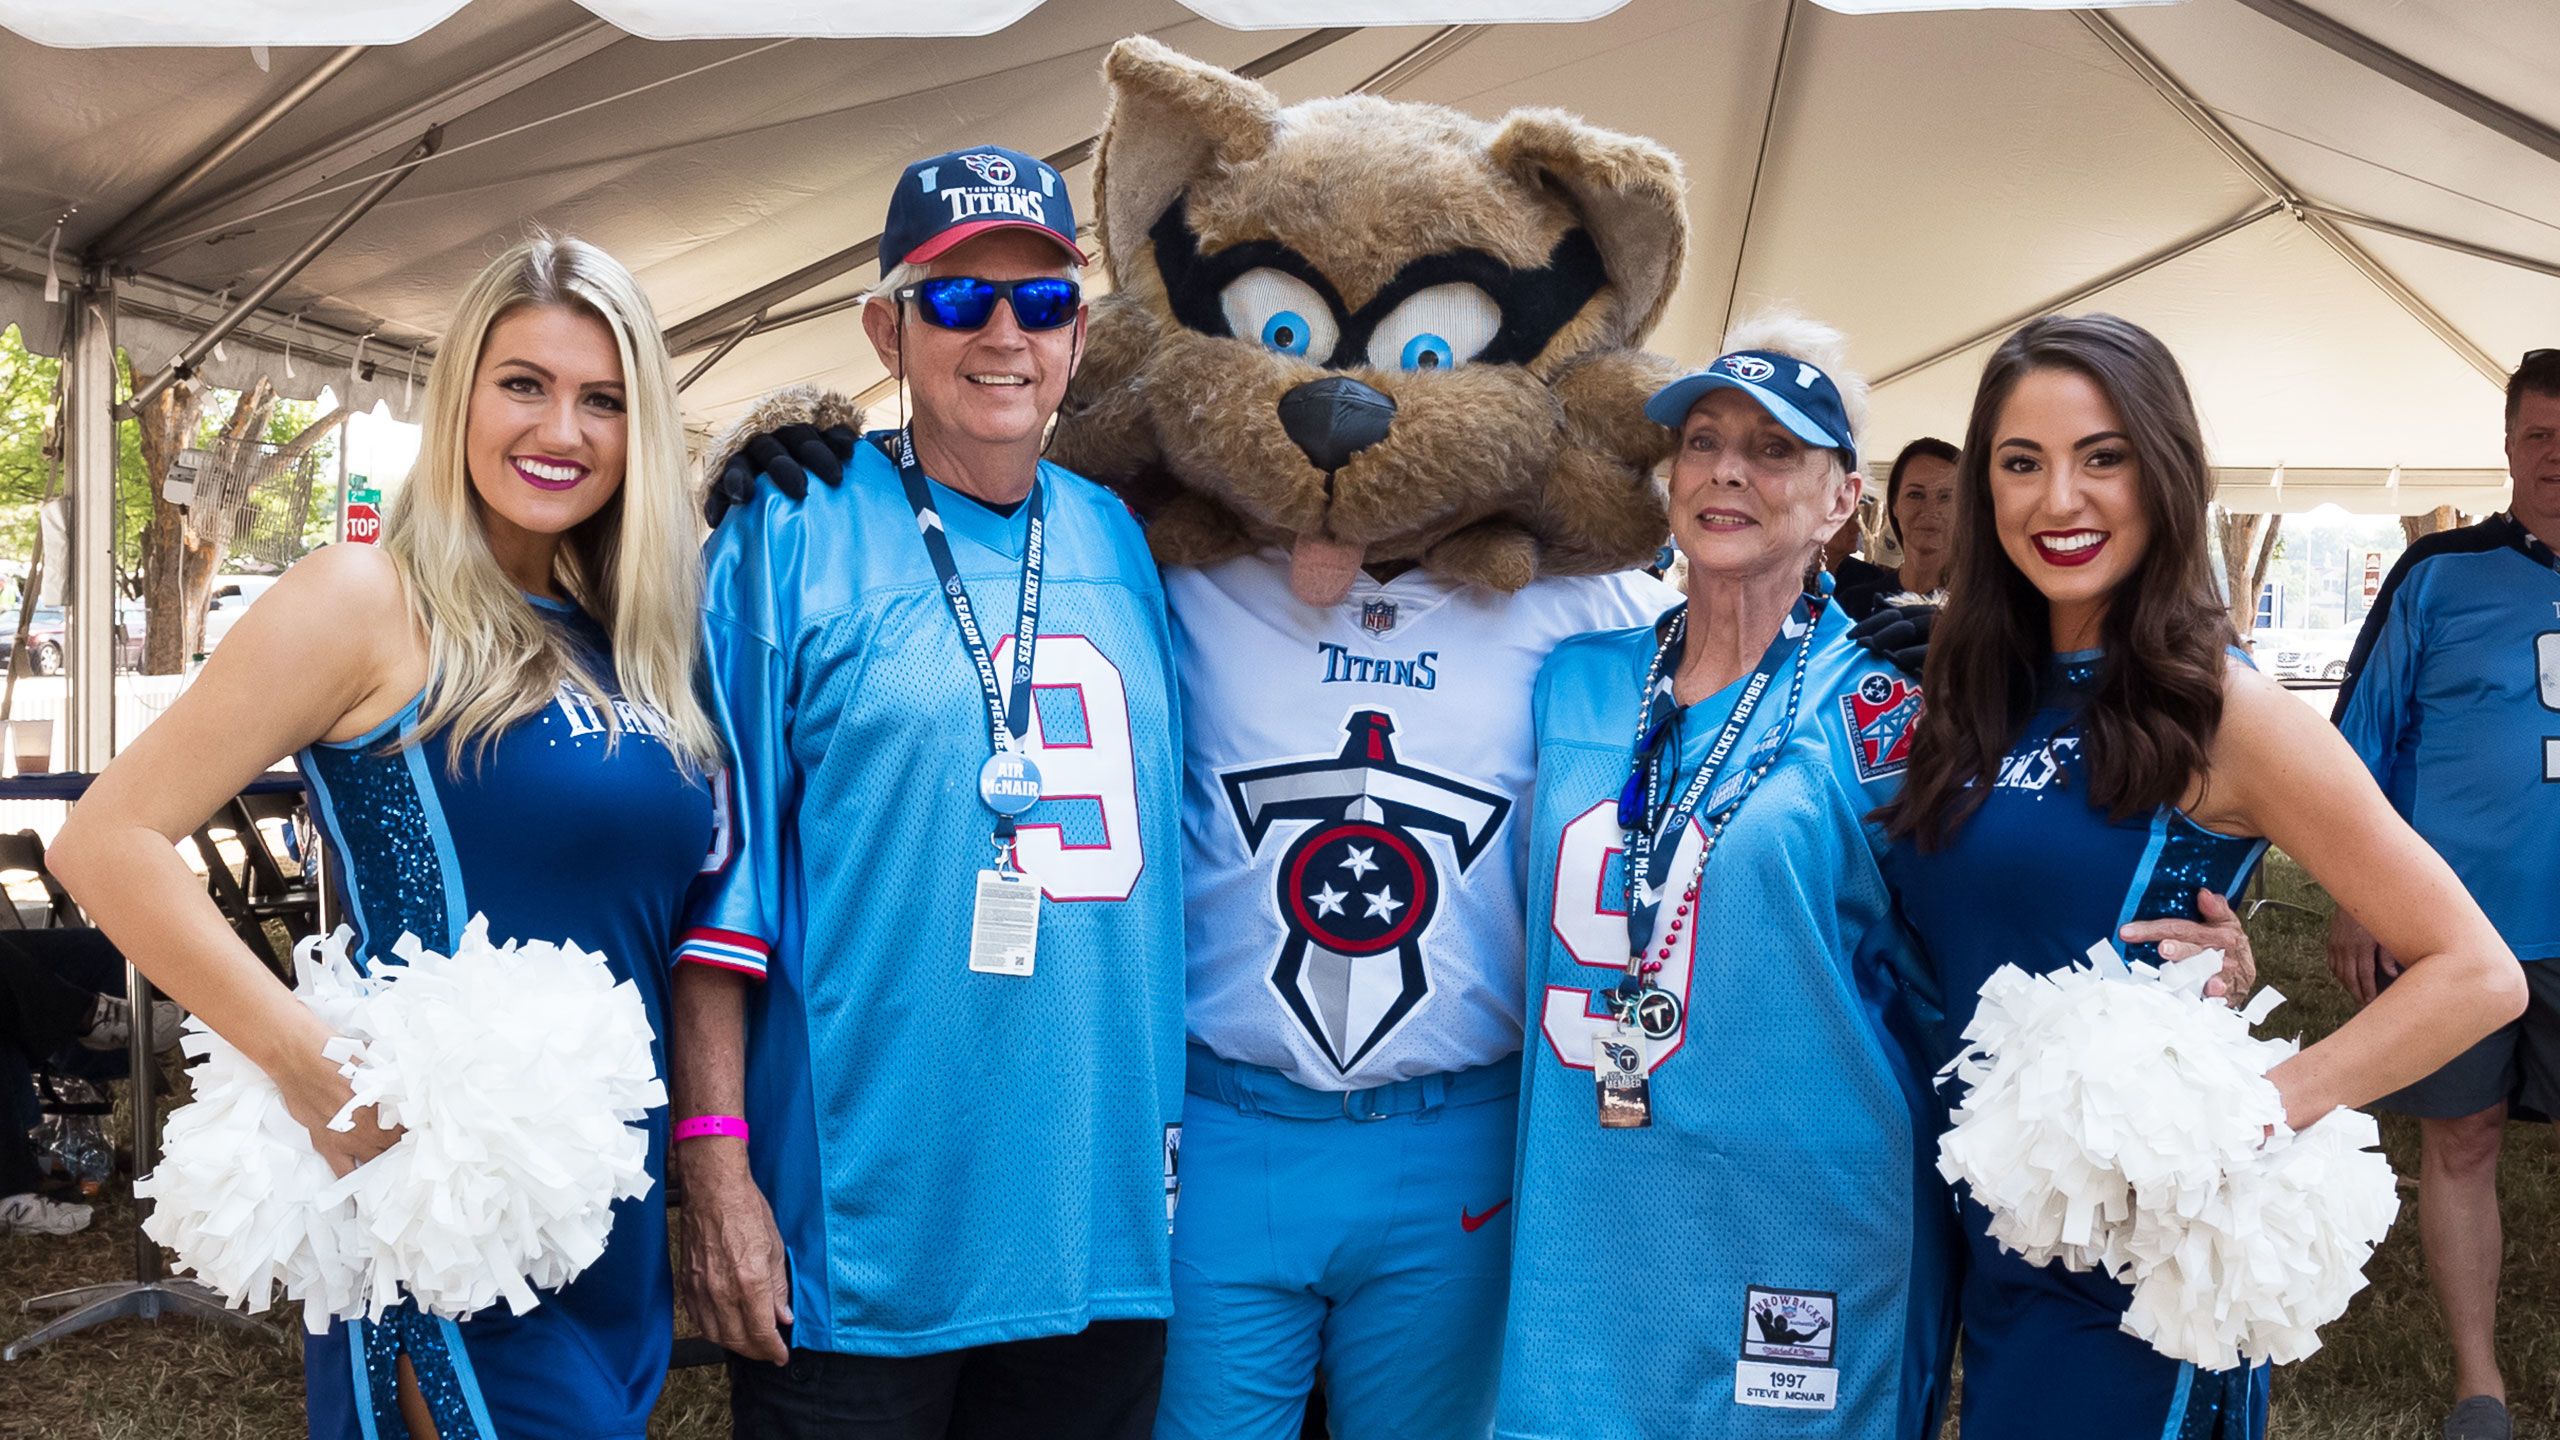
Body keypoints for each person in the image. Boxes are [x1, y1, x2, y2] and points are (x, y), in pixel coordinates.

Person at [49, 234, 720, 1439]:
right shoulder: (365, 599)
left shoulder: (637, 638)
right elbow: (107, 841)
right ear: (459, 392)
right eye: (523, 383)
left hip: (605, 1196)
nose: (560, 428)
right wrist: (317, 1077)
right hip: (436, 1201)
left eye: (602, 399)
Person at [1882, 313, 2525, 1440]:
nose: (2058, 500)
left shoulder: (2224, 709)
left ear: (2163, 473)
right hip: (1976, 1237)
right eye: (2020, 463)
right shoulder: (1972, 690)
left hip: (2136, 1268)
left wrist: (2240, 1115)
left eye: (2102, 457)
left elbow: (2475, 973)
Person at [670, 145, 1184, 1440]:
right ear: (884, 328)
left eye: (1041, 301)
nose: (1003, 333)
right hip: (863, 1241)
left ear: (1078, 334)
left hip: (1097, 1230)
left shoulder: (1119, 534)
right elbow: (714, 891)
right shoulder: (784, 530)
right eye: (958, 300)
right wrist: (715, 1170)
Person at [1497, 317, 1959, 1440]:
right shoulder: (1574, 680)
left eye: (1774, 449)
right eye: (1702, 441)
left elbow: (1998, 927)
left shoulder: (1885, 711)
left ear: (1841, 498)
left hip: (1806, 1205)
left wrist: (2202, 954)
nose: (1727, 471)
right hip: (1593, 1198)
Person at [2325, 345, 2560, 1440]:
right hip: (2461, 926)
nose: (2555, 459)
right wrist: (2356, 895)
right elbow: (2352, 747)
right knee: (2460, 1139)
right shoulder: (2441, 574)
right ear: (2507, 445)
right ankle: (2480, 1384)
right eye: (2537, 437)